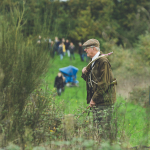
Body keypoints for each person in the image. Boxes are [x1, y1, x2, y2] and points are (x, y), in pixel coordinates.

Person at [81, 39, 116, 140]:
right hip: (98, 101)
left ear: (94, 48)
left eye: (87, 48)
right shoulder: (94, 61)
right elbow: (92, 81)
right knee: (98, 130)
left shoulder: (103, 61)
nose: (85, 50)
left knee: (104, 131)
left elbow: (103, 84)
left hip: (104, 102)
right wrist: (85, 73)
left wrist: (94, 99)